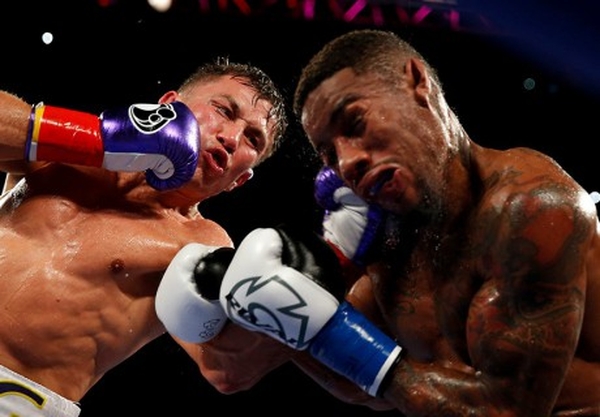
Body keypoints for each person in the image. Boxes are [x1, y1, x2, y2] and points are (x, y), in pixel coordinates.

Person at [195, 29, 600, 416]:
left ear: (417, 82)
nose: (347, 162)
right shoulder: (391, 246)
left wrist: (326, 331)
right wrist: (299, 298)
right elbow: (363, 387)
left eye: (355, 123)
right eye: (329, 155)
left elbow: (505, 410)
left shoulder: (532, 208)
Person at [0, 57, 291, 416]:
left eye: (253, 139)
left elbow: (224, 369)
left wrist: (283, 319)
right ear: (168, 105)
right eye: (224, 110)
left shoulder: (201, 244)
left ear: (239, 180)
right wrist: (94, 139)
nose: (231, 139)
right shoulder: (66, 156)